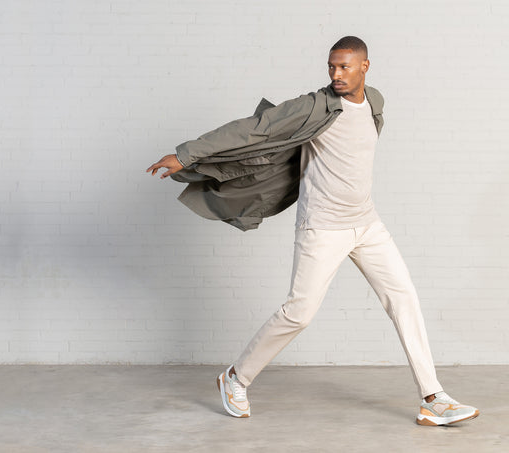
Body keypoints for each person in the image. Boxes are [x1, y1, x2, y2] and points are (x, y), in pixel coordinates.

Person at [146, 36, 480, 426]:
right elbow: (253, 129)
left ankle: (432, 398)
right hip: (322, 227)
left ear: (364, 67)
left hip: (367, 223)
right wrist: (185, 154)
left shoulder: (374, 102)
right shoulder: (314, 106)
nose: (336, 74)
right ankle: (235, 377)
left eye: (345, 67)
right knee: (299, 313)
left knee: (403, 297)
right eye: (331, 66)